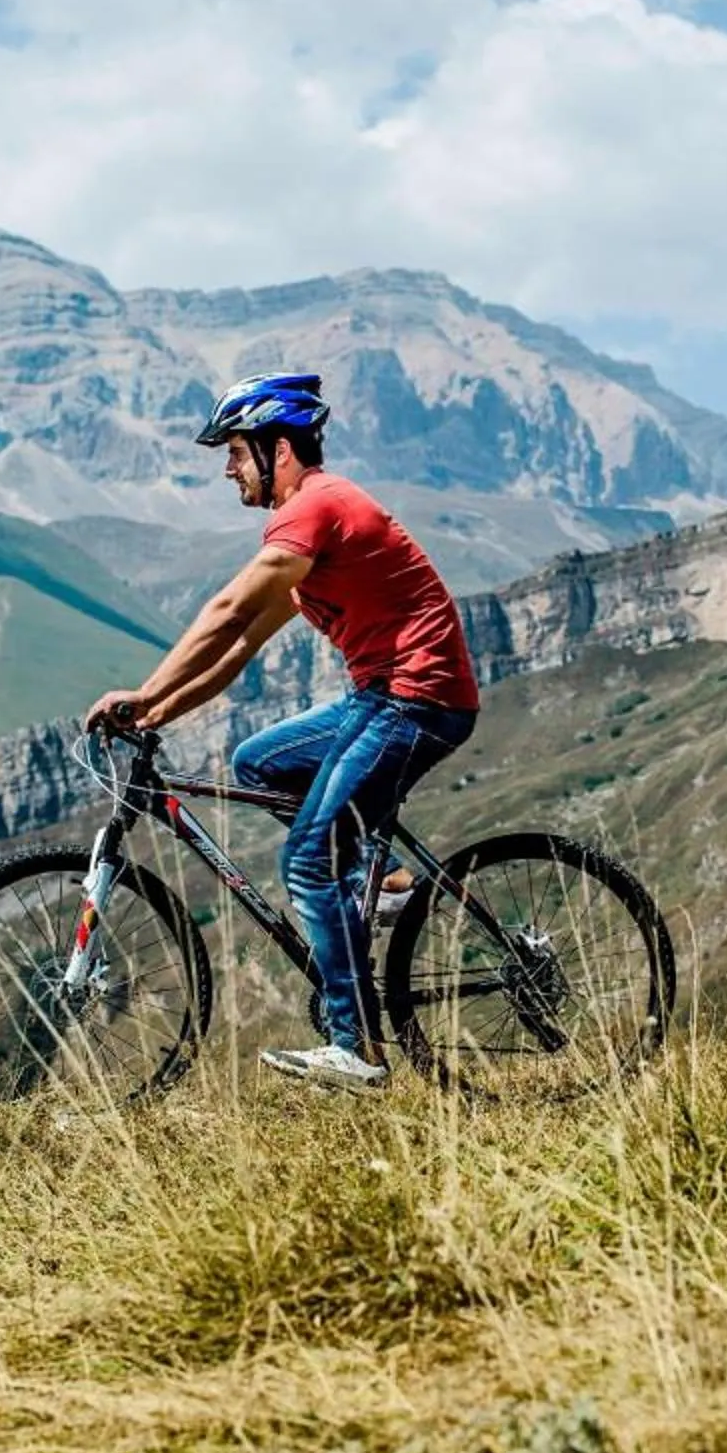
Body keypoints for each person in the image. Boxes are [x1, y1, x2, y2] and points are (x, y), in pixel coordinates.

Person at [85, 373, 480, 1086]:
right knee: (259, 764)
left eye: (236, 452)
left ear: (279, 449)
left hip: (416, 699)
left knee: (305, 858)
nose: (228, 468)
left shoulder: (315, 508)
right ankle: (381, 883)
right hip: (381, 696)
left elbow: (230, 610)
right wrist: (154, 713)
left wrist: (142, 690)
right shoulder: (309, 541)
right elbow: (240, 650)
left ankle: (354, 1045)